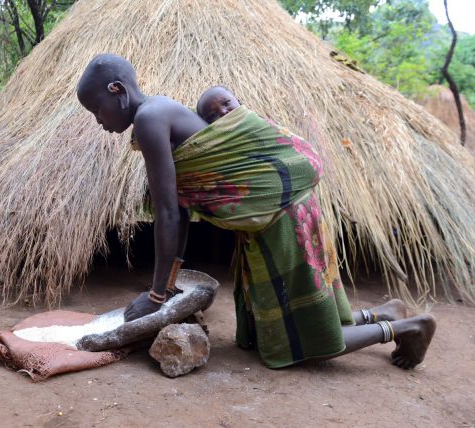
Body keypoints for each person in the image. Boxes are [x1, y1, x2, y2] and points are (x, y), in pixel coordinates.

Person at [77, 53, 436, 370]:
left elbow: (168, 213)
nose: (98, 120)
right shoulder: (158, 114)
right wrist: (167, 287)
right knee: (274, 330)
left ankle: (407, 328)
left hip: (280, 214)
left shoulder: (149, 118)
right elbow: (181, 212)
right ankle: (383, 313)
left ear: (117, 90)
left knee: (308, 341)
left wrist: (156, 298)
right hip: (276, 216)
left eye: (96, 109)